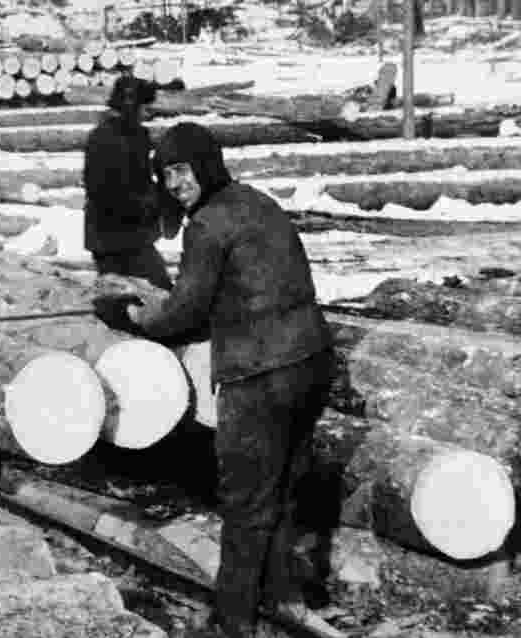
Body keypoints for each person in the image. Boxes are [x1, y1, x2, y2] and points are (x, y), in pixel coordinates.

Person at [92, 122, 340, 638]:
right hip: (311, 359)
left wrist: (134, 319)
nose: (176, 183)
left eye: (182, 170)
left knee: (246, 502)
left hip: (260, 375)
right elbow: (247, 286)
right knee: (283, 490)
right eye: (166, 175)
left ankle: (233, 624)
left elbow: (184, 312)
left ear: (207, 164)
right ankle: (283, 597)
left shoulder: (205, 225)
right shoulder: (258, 201)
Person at [82, 74, 178, 291]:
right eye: (145, 107)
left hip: (127, 235)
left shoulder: (132, 135)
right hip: (115, 237)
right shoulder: (108, 139)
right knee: (155, 292)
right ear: (131, 105)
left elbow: (141, 180)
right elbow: (105, 192)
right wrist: (149, 205)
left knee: (149, 294)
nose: (148, 113)